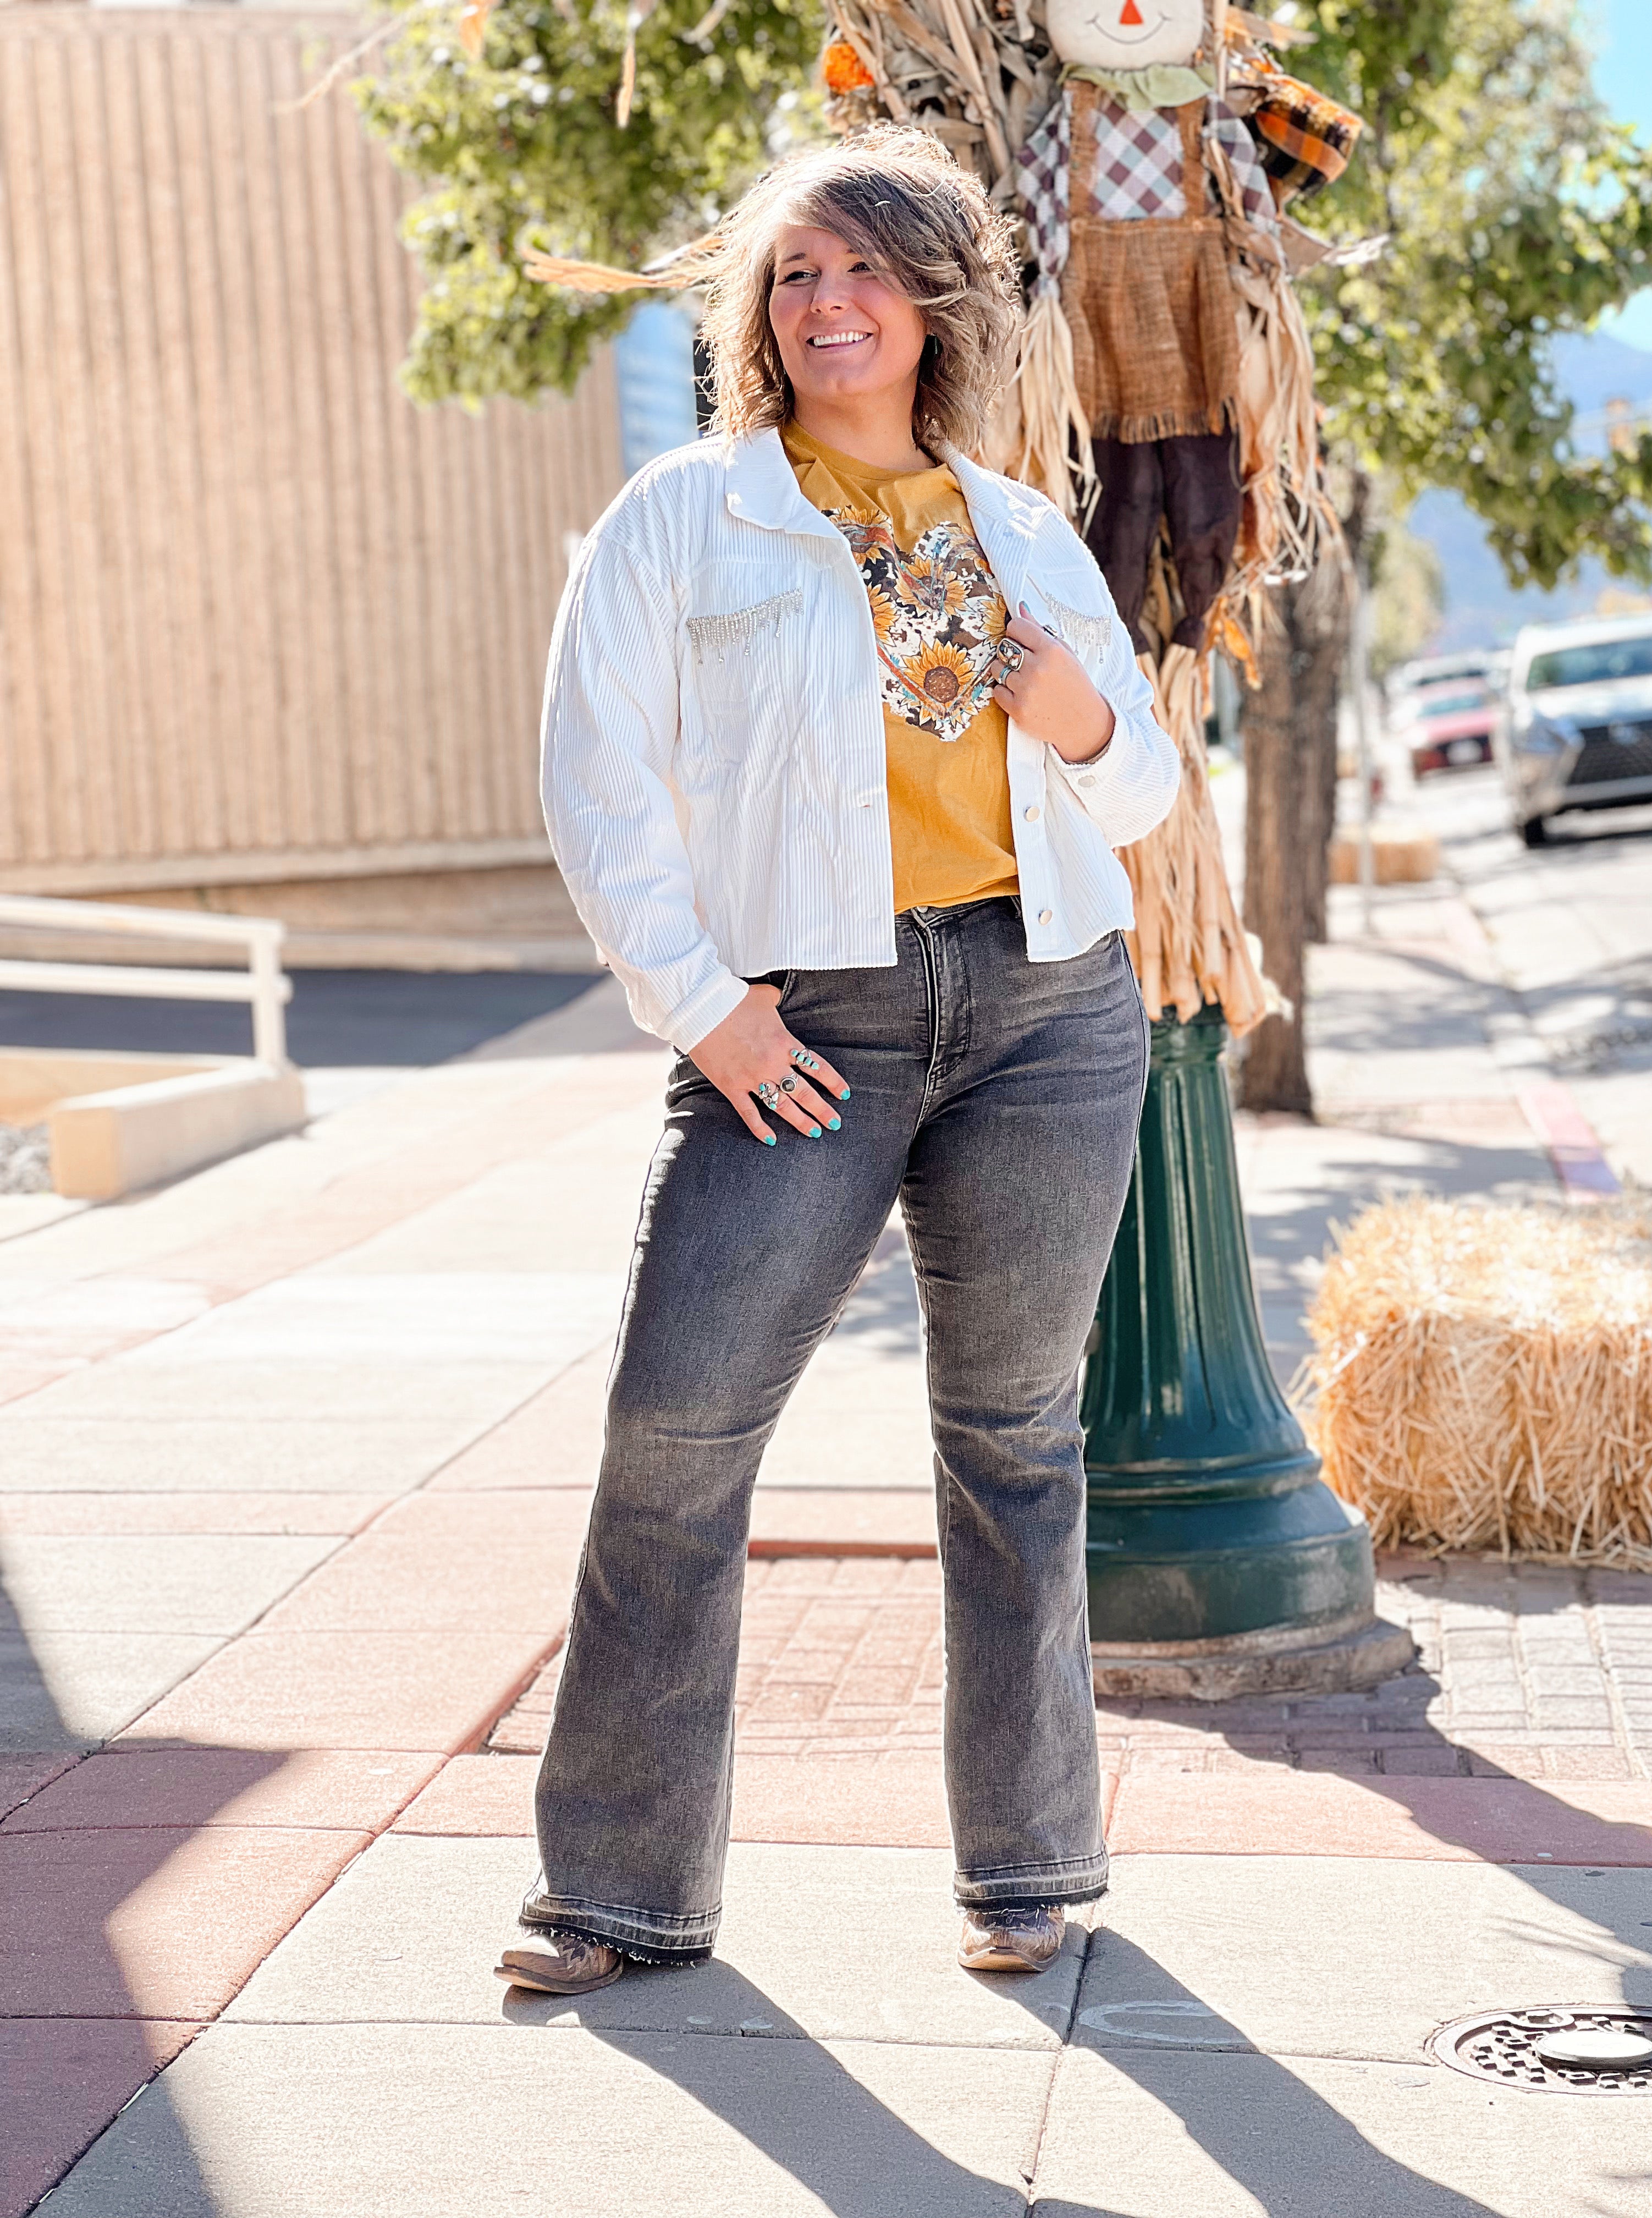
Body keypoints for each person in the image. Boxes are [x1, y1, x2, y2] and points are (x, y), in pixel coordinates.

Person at [496, 125, 1180, 1998]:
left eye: (863, 267)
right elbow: (597, 780)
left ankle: (1030, 1867)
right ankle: (622, 1889)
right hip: (799, 1021)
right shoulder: (685, 517)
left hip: (1047, 1012)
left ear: (933, 299)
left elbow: (1137, 795)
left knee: (1015, 1440)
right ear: (759, 312)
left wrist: (1082, 709)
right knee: (676, 1427)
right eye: (795, 274)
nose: (826, 302)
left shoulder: (1021, 526)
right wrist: (704, 1007)